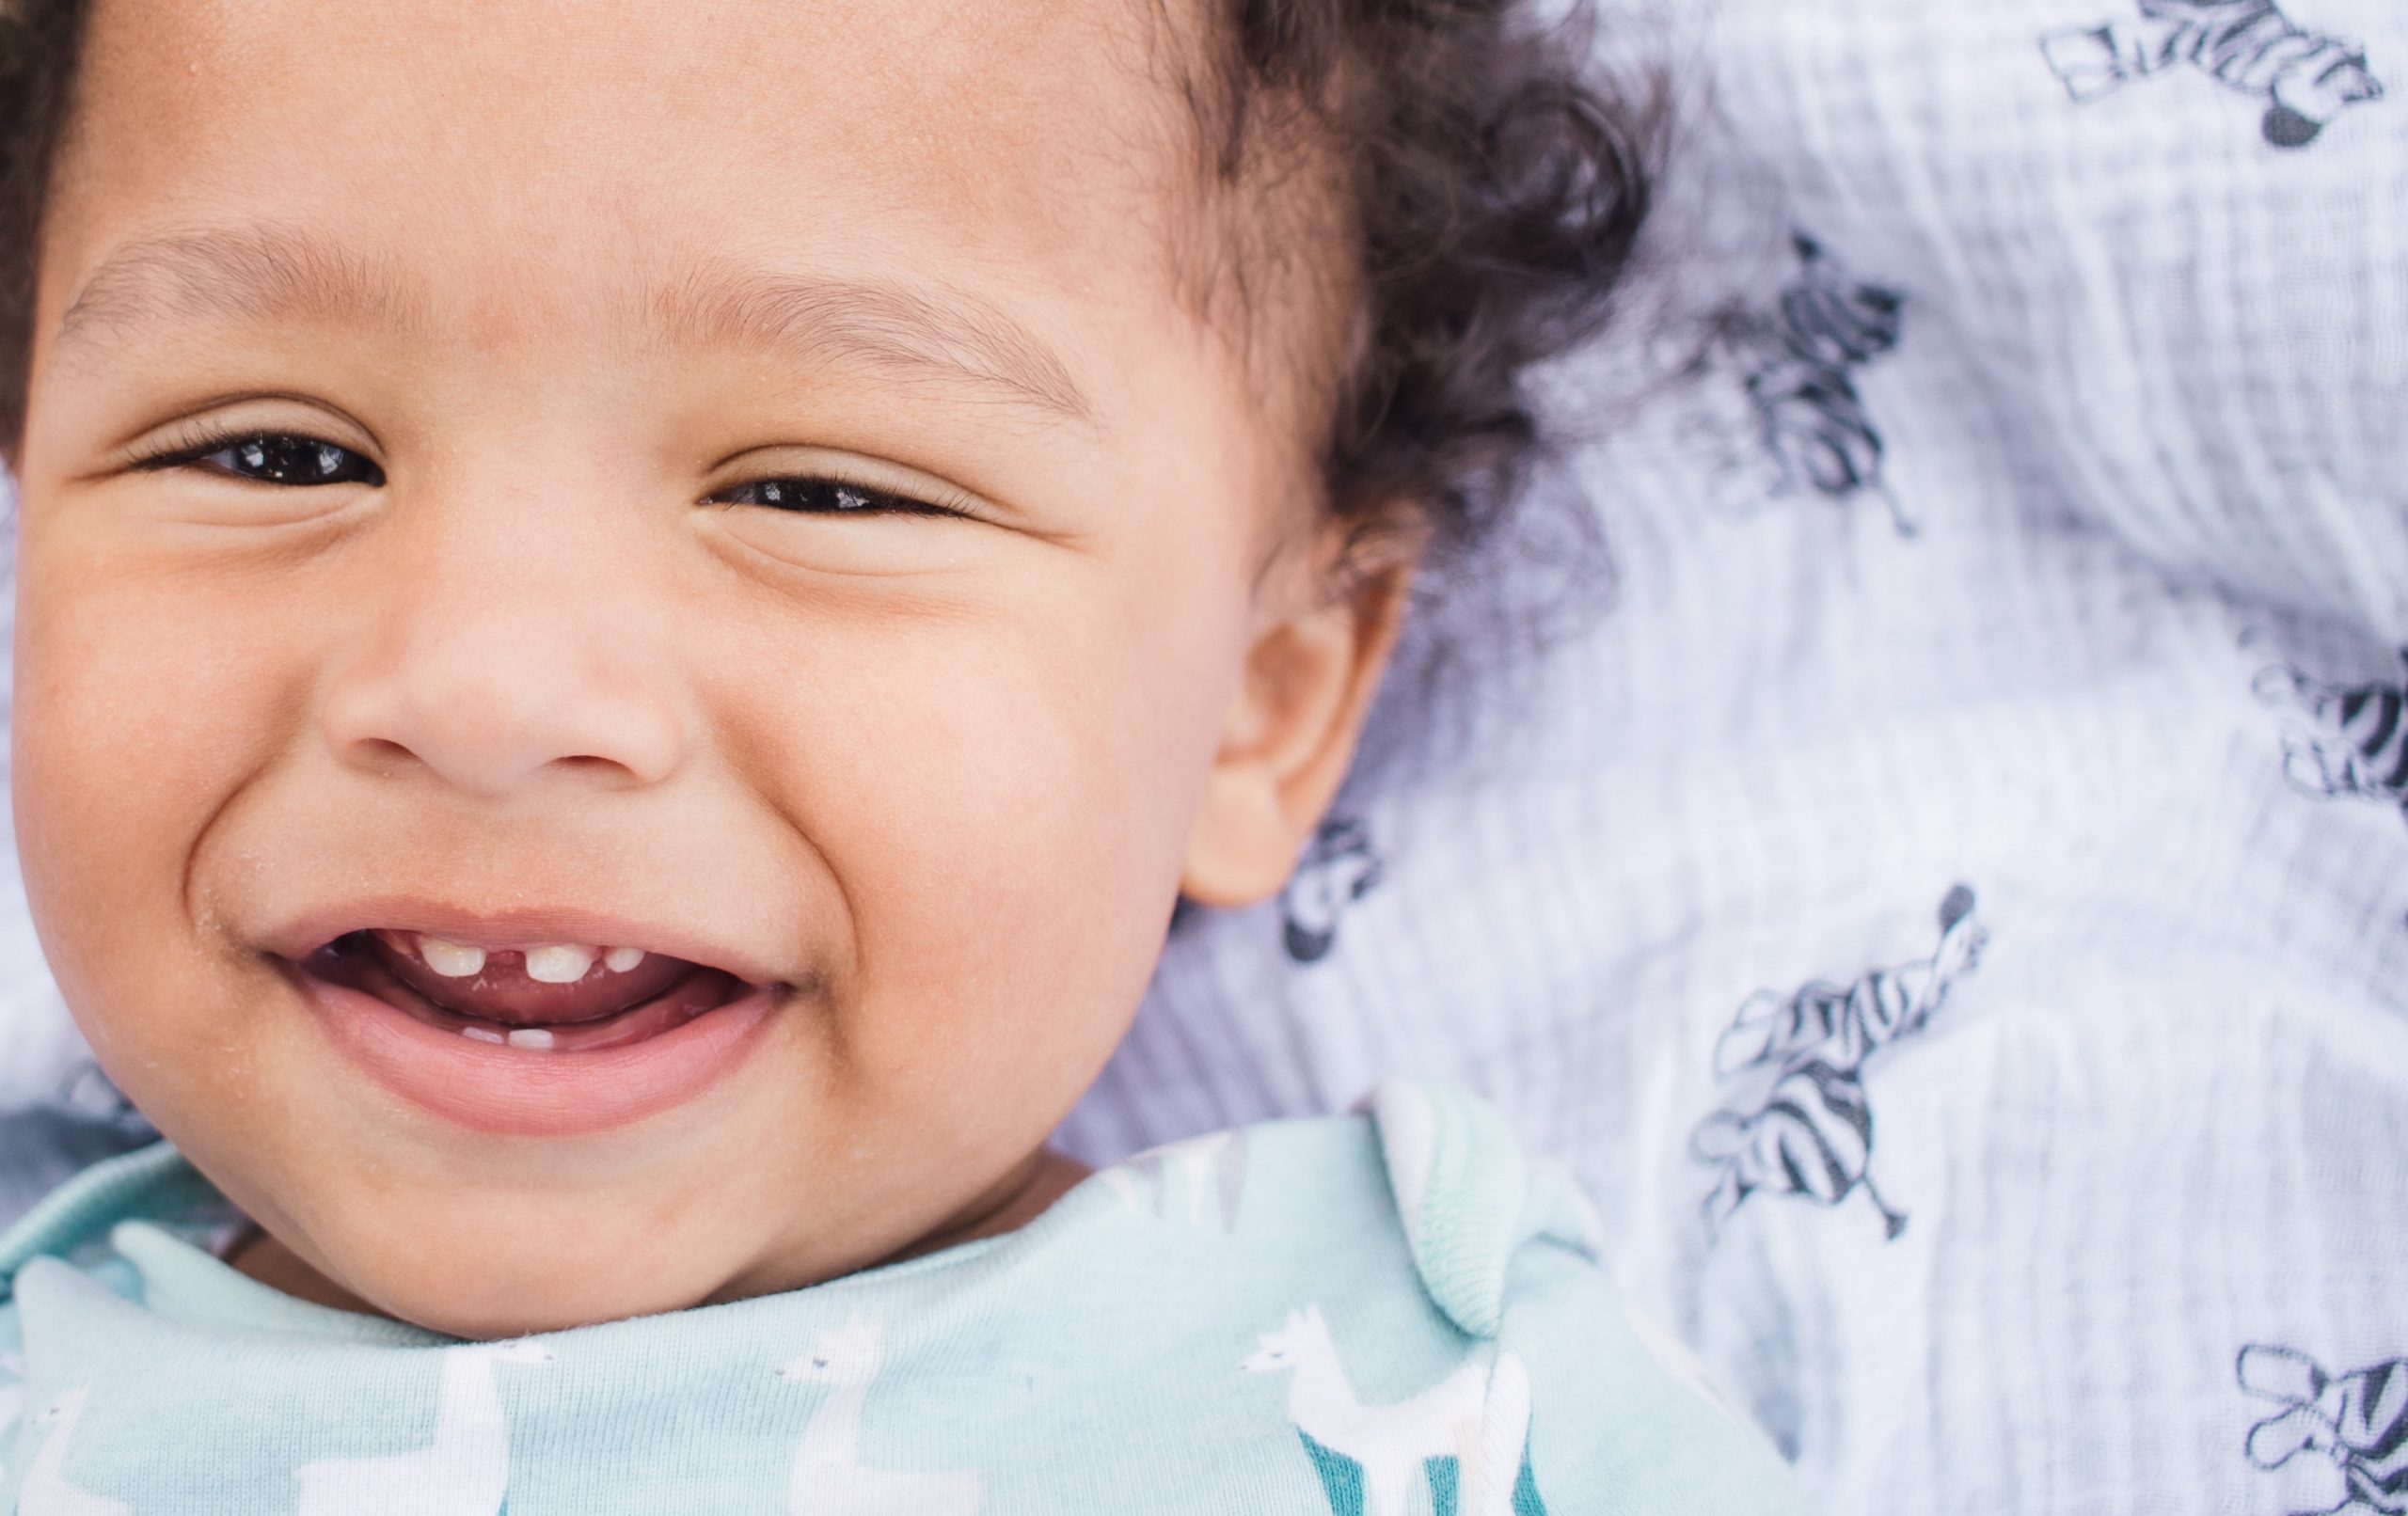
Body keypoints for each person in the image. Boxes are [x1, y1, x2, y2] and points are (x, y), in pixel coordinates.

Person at [0, 0, 1807, 1508]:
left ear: (1263, 699)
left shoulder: (1444, 1387)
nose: (487, 691)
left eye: (819, 491)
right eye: (271, 457)